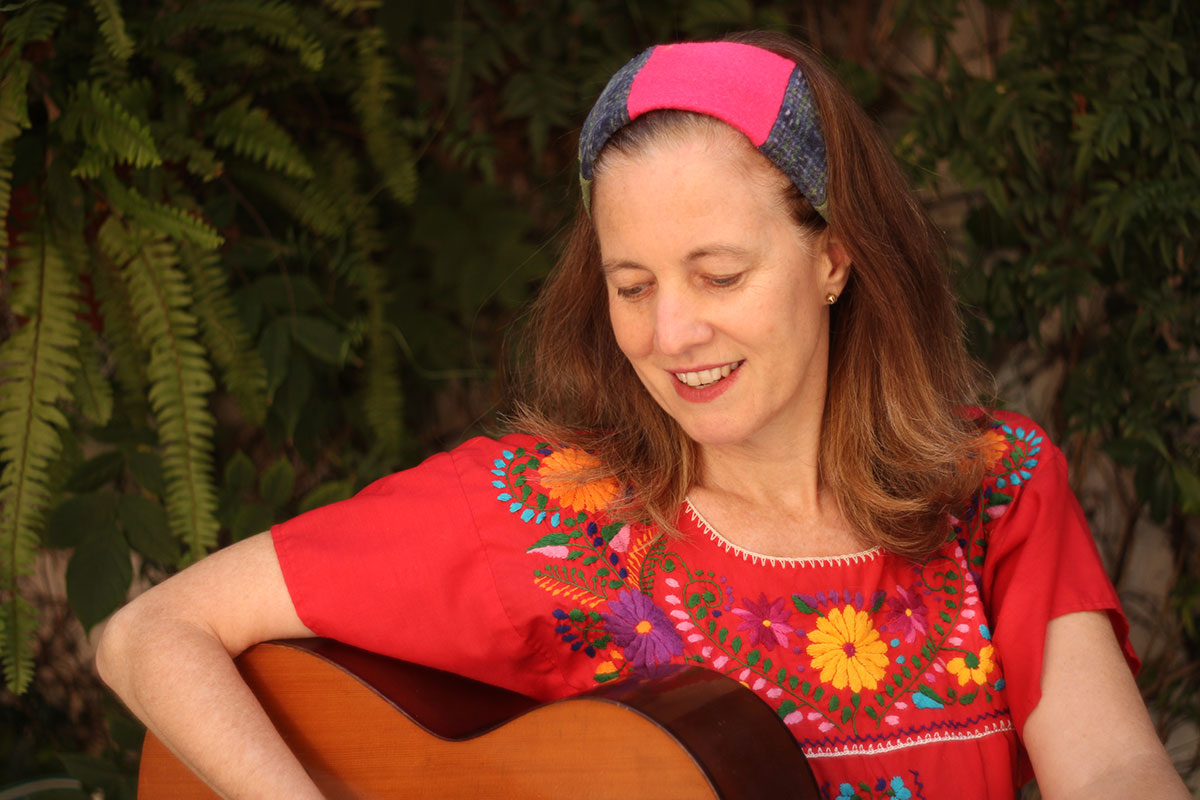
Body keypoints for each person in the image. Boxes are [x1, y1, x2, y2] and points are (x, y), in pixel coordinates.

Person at [97, 31, 1188, 799]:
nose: (671, 333)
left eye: (719, 275)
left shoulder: (993, 489)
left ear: (834, 258)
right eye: (632, 285)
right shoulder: (552, 514)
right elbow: (150, 633)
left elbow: (1111, 769)